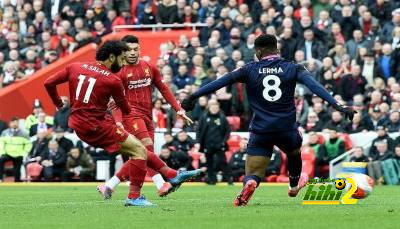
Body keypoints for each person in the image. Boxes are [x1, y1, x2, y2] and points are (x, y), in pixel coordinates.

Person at [181, 34, 355, 207]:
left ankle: (251, 183)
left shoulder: (248, 69)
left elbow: (219, 82)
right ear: (277, 50)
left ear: (258, 51)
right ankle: (293, 186)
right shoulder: (293, 68)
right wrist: (338, 106)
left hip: (261, 129)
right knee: (294, 152)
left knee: (253, 170)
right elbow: (316, 87)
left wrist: (193, 96)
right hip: (286, 128)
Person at [44, 40, 154, 207]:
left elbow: (48, 83)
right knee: (140, 150)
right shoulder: (112, 80)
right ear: (111, 57)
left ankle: (159, 179)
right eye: (122, 58)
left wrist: (58, 102)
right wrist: (121, 101)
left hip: (78, 126)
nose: (124, 62)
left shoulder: (74, 67)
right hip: (97, 127)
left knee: (137, 150)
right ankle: (134, 197)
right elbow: (126, 109)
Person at [106, 35, 202, 198]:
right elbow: (114, 102)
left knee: (143, 153)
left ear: (139, 49)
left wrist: (178, 109)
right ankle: (165, 181)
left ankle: (110, 184)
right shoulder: (118, 72)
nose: (132, 53)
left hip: (147, 116)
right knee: (144, 149)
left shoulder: (150, 68)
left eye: (135, 49)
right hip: (131, 115)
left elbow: (164, 89)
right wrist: (118, 121)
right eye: (128, 50)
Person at [196, 99, 231, 184]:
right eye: (212, 107)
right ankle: (212, 179)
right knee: (209, 163)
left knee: (223, 162)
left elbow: (227, 131)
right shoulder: (204, 117)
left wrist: (224, 141)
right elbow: (198, 130)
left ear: (218, 108)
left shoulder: (222, 117)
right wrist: (198, 142)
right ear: (209, 107)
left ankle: (229, 179)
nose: (214, 109)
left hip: (219, 144)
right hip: (208, 144)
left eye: (216, 107)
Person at [0, 117, 32, 182]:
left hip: (19, 154)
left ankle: (17, 181)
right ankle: (1, 178)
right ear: (10, 123)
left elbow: (28, 144)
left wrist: (24, 153)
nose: (14, 124)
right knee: (0, 160)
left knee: (17, 172)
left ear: (18, 123)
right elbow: (1, 142)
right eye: (13, 122)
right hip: (7, 153)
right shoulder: (5, 132)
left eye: (16, 122)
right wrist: (2, 152)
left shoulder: (24, 133)